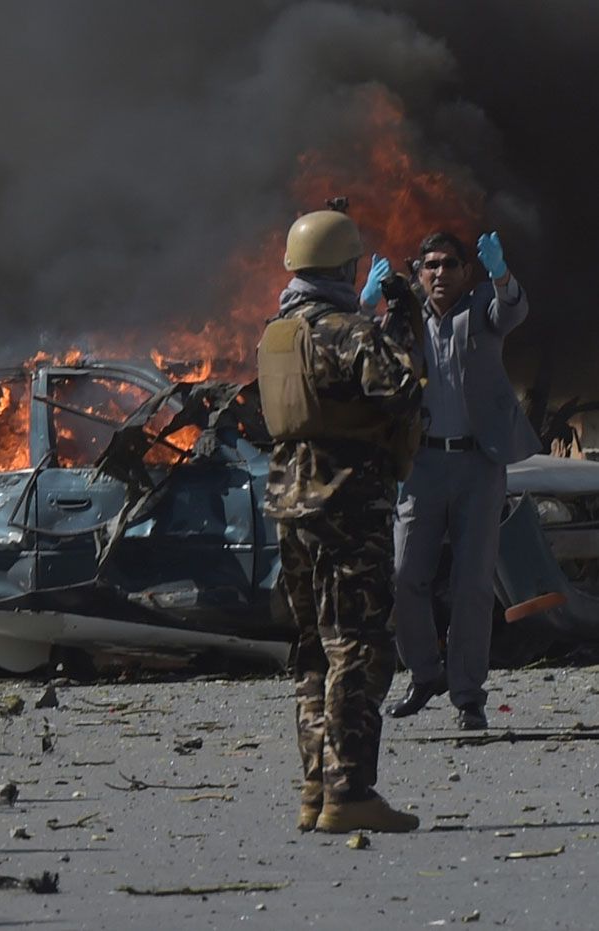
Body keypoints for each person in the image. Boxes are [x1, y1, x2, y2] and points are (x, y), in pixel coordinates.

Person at [258, 207, 423, 833]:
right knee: (357, 646)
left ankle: (314, 789)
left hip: (289, 507)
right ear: (345, 267)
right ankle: (350, 791)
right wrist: (395, 324)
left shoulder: (277, 333)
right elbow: (403, 393)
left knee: (311, 652)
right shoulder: (350, 331)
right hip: (348, 505)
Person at [385, 231, 538, 730]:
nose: (440, 273)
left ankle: (468, 696)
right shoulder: (404, 317)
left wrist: (502, 274)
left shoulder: (483, 310)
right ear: (418, 271)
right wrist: (366, 307)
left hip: (478, 465)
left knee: (472, 584)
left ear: (466, 271)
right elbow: (374, 355)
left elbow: (513, 311)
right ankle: (425, 673)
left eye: (451, 264)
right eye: (430, 265)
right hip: (423, 466)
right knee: (406, 576)